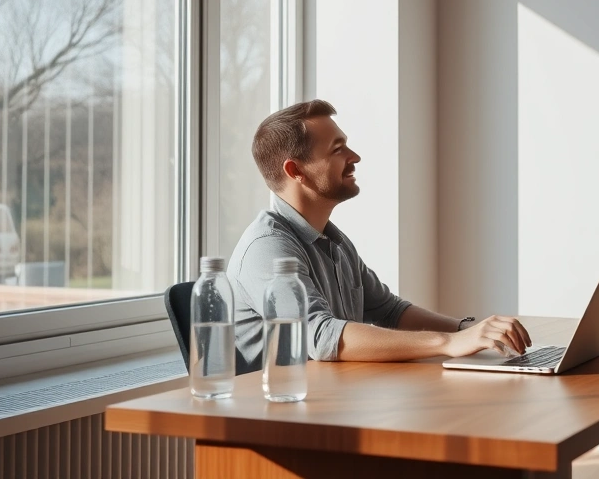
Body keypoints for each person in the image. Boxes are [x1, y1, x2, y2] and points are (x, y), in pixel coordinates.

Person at [227, 100, 531, 366]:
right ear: (296, 171)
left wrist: (468, 332)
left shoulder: (334, 240)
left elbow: (390, 311)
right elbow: (321, 337)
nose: (354, 156)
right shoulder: (266, 249)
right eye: (338, 149)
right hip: (279, 424)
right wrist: (448, 344)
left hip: (332, 405)